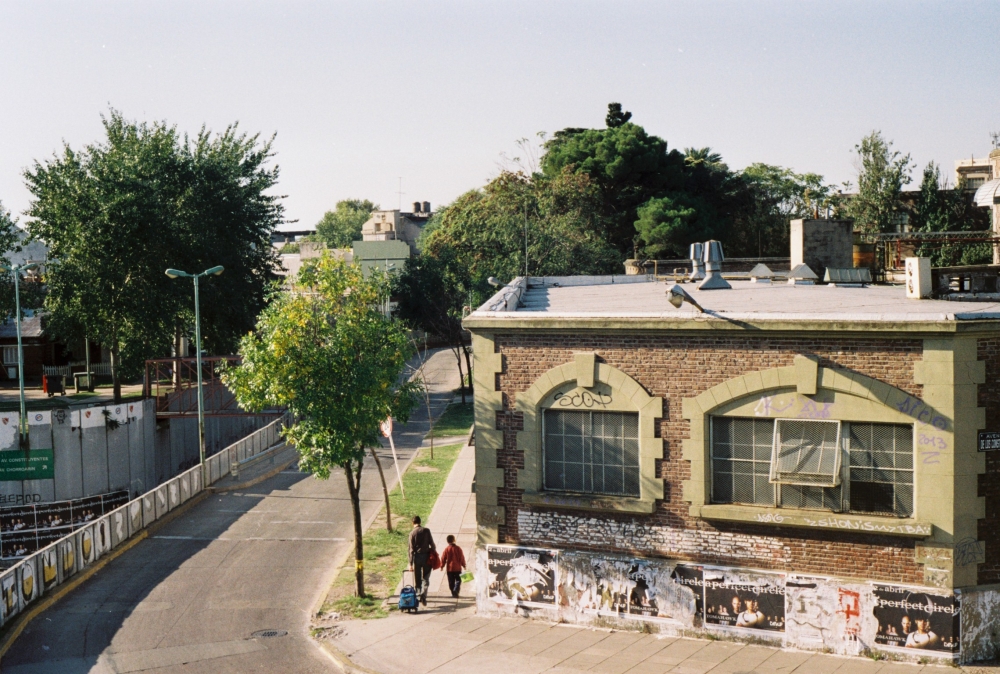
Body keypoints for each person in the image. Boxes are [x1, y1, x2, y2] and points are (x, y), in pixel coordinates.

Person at [408, 515, 435, 606]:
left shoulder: (412, 533)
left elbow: (411, 550)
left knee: (417, 577)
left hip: (417, 557)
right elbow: (432, 544)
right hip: (427, 556)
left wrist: (410, 564)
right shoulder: (427, 531)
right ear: (420, 522)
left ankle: (418, 594)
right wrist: (433, 553)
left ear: (413, 523)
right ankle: (424, 595)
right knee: (426, 578)